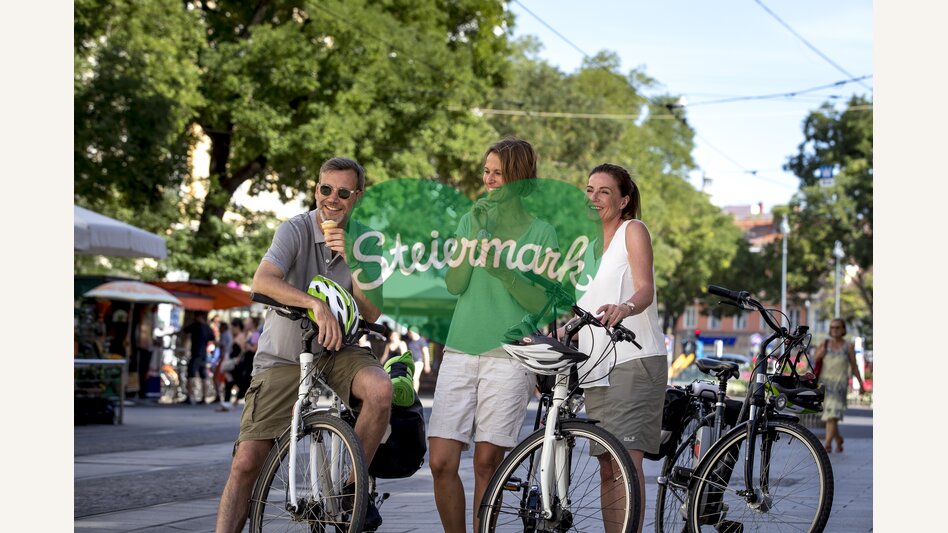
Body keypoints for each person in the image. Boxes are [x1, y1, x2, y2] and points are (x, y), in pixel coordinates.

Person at [215, 157, 391, 533]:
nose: (332, 199)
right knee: (246, 461)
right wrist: (314, 303)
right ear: (316, 190)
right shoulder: (293, 230)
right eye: (325, 189)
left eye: (343, 192)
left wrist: (355, 260)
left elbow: (372, 311)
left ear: (356, 197)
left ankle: (351, 492)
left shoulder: (366, 241)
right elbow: (262, 281)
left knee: (380, 389)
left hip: (337, 351)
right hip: (283, 356)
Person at [429, 138, 557, 533]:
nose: (488, 180)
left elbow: (540, 301)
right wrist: (474, 234)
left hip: (508, 357)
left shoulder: (541, 232)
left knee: (487, 465)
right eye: (486, 171)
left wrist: (504, 271)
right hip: (461, 349)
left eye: (497, 173)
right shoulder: (471, 220)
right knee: (441, 461)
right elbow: (454, 283)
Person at [573, 163, 668, 533]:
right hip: (595, 367)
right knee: (607, 467)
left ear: (624, 200)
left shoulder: (633, 230)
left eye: (604, 191)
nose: (593, 197)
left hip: (634, 358)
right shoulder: (588, 246)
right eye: (590, 189)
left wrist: (625, 307)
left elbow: (645, 288)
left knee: (625, 464)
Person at [814, 317, 866, 453]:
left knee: (832, 415)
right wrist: (821, 352)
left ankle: (827, 444)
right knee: (830, 416)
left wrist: (861, 384)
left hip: (840, 386)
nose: (834, 330)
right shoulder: (825, 343)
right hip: (825, 385)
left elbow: (854, 367)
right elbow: (815, 359)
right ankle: (837, 438)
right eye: (832, 327)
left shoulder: (848, 346)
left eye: (837, 327)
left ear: (843, 329)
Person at [175, 311, 216, 405]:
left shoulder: (196, 326)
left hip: (196, 354)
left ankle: (190, 396)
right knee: (203, 376)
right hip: (203, 355)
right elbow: (213, 339)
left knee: (191, 375)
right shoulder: (207, 328)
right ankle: (204, 397)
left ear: (197, 316)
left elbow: (183, 332)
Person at [213, 321, 234, 411]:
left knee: (220, 377)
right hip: (225, 357)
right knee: (223, 377)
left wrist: (217, 343)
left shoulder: (225, 334)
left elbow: (224, 346)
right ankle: (221, 395)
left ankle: (219, 395)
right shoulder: (228, 334)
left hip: (224, 357)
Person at [405, 327, 431, 392]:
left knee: (415, 378)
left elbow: (426, 353)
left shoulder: (421, 340)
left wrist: (427, 365)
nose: (408, 334)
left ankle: (415, 393)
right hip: (410, 362)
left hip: (418, 362)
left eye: (410, 332)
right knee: (410, 378)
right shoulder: (410, 341)